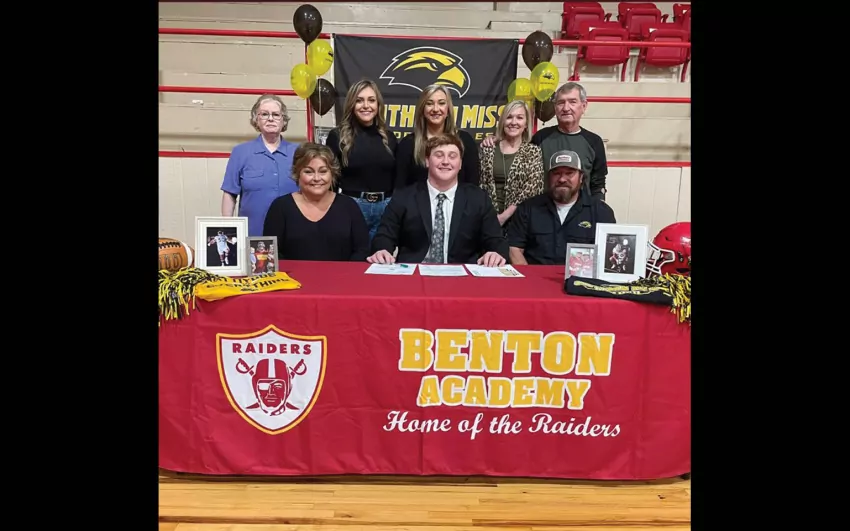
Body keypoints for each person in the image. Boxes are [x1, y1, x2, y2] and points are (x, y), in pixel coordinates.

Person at [369, 134, 507, 266]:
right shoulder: (404, 196)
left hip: (461, 274)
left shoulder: (478, 198)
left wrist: (495, 253)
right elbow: (384, 236)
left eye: (452, 156)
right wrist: (382, 250)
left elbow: (496, 240)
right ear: (427, 161)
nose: (445, 161)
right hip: (414, 271)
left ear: (460, 164)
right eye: (439, 155)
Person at [482, 82, 608, 200]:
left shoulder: (594, 142)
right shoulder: (541, 137)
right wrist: (496, 140)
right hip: (544, 209)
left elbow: (598, 184)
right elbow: (516, 150)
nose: (566, 108)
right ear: (555, 107)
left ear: (584, 106)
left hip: (581, 211)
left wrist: (599, 209)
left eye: (572, 102)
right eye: (561, 103)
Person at [263, 143, 370, 262]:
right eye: (309, 172)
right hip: (292, 274)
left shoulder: (349, 206)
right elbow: (271, 254)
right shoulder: (280, 207)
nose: (317, 178)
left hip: (342, 274)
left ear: (332, 173)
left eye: (323, 171)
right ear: (297, 174)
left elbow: (362, 250)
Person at [508, 150, 616, 265]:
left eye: (569, 173)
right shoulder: (528, 208)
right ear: (548, 177)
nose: (562, 179)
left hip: (581, 276)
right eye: (556, 173)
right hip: (534, 275)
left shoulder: (602, 212)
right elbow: (514, 249)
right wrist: (528, 275)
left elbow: (608, 254)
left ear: (581, 177)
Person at [324, 79, 398, 240]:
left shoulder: (389, 137)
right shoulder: (337, 136)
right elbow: (331, 179)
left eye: (371, 100)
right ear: (351, 104)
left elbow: (397, 178)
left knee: (380, 254)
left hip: (385, 208)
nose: (366, 105)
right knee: (354, 254)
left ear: (378, 104)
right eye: (359, 100)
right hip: (352, 205)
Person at [220, 94, 300, 237]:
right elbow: (230, 194)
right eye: (264, 114)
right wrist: (228, 230)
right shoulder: (240, 152)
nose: (270, 118)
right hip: (253, 234)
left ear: (284, 120)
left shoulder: (299, 153)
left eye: (276, 114)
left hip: (293, 233)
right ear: (256, 119)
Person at [394, 84, 480, 189]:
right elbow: (400, 187)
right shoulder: (408, 144)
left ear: (448, 109)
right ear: (422, 109)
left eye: (441, 103)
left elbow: (473, 185)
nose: (435, 109)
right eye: (429, 103)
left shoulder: (464, 140)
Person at [478, 100, 544, 229]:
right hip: (486, 219)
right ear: (503, 121)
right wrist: (490, 218)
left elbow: (531, 191)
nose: (513, 122)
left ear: (526, 124)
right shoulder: (488, 149)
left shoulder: (533, 152)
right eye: (509, 117)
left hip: (520, 222)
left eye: (519, 118)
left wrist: (503, 217)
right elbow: (480, 186)